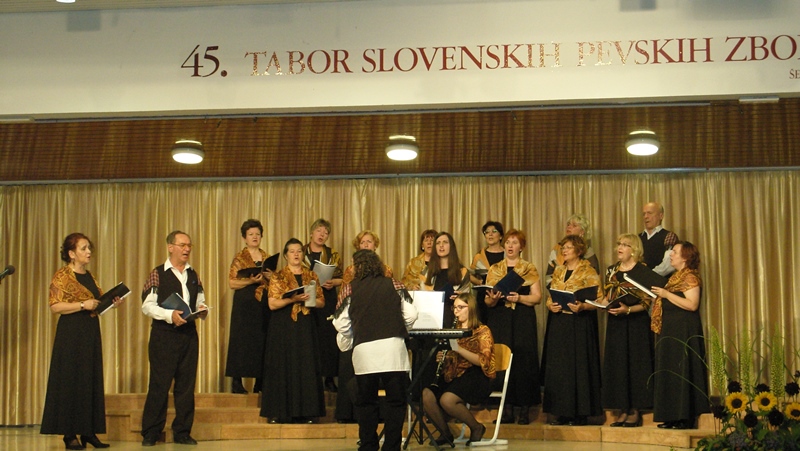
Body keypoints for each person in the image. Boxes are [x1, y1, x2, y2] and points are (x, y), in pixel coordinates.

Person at [41, 233, 124, 450]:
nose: (88, 252)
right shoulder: (62, 276)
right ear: (71, 253)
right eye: (83, 248)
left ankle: (88, 431)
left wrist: (111, 303)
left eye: (89, 248)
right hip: (70, 334)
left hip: (90, 332)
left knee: (89, 378)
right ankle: (69, 434)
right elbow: (55, 306)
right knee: (71, 379)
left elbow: (96, 304)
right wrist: (81, 305)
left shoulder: (89, 276)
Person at [333, 250, 418, 451]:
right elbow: (412, 314)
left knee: (366, 403)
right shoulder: (394, 284)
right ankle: (392, 446)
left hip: (365, 353)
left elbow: (341, 323)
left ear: (357, 266)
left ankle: (368, 445)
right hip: (393, 352)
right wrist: (398, 327)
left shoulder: (350, 288)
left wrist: (357, 333)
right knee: (395, 402)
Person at [141, 230, 209, 446]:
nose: (187, 249)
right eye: (182, 245)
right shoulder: (158, 273)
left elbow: (200, 300)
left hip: (188, 335)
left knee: (186, 385)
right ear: (170, 247)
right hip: (164, 335)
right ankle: (151, 431)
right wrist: (169, 315)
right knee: (160, 384)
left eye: (189, 245)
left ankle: (182, 431)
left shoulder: (193, 274)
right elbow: (147, 305)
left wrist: (202, 309)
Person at [599, 233, 664, 428]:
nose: (620, 247)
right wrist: (600, 304)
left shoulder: (642, 271)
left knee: (636, 364)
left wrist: (628, 309)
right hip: (616, 323)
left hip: (636, 324)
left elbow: (648, 300)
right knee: (618, 364)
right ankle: (622, 408)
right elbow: (607, 295)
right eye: (619, 244)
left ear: (634, 250)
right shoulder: (611, 271)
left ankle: (635, 409)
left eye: (625, 245)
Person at [259, 238, 326, 424]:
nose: (296, 254)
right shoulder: (278, 276)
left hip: (305, 326)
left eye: (299, 251)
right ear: (286, 255)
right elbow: (272, 304)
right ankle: (279, 412)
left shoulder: (311, 275)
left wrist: (308, 300)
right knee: (282, 366)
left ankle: (308, 412)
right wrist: (292, 299)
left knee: (306, 365)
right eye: (292, 251)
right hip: (283, 326)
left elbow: (321, 302)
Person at [542, 235, 603, 426]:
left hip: (579, 323)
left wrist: (583, 306)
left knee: (578, 367)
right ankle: (561, 411)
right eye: (563, 248)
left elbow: (599, 299)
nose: (564, 251)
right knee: (561, 368)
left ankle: (580, 413)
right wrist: (550, 305)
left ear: (578, 250)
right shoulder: (559, 270)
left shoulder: (588, 271)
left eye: (568, 247)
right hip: (559, 322)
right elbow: (550, 295)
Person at [421, 293, 495, 446]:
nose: (456, 311)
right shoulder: (452, 330)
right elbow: (452, 356)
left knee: (447, 400)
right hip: (453, 374)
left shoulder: (482, 331)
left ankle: (476, 427)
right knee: (426, 394)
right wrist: (444, 357)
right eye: (454, 307)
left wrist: (458, 349)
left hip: (475, 375)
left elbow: (483, 361)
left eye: (460, 307)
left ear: (471, 308)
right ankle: (445, 433)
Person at [335, 230, 393, 424]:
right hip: (356, 324)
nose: (366, 245)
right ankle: (348, 413)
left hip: (379, 326)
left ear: (375, 246)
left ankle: (379, 413)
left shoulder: (386, 270)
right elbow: (344, 297)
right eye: (363, 242)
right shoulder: (350, 271)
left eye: (369, 242)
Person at [484, 229, 542, 425]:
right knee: (502, 358)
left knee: (523, 360)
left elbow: (537, 297)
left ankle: (524, 409)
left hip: (522, 318)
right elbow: (487, 301)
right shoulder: (495, 268)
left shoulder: (528, 268)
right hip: (500, 317)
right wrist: (493, 299)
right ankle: (506, 409)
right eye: (508, 242)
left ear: (521, 247)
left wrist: (520, 298)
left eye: (515, 242)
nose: (510, 246)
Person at [650, 241, 709, 429]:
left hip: (684, 331)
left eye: (675, 252)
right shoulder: (674, 278)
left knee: (683, 370)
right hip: (670, 330)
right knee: (671, 371)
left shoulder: (690, 276)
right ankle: (671, 415)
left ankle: (685, 417)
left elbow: (692, 304)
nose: (671, 255)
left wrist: (666, 295)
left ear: (685, 257)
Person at [225, 219, 272, 395]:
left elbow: (276, 282)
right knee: (240, 340)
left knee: (262, 339)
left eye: (257, 234)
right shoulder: (239, 258)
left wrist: (271, 276)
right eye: (251, 234)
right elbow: (232, 283)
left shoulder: (267, 257)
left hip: (263, 303)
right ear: (244, 237)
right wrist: (250, 281)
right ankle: (237, 382)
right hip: (244, 303)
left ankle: (260, 382)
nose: (254, 237)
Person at [303, 218, 343, 393]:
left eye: (326, 233)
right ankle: (309, 378)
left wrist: (333, 282)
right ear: (312, 233)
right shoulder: (301, 251)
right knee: (309, 335)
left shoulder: (333, 254)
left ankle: (329, 378)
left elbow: (342, 278)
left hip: (327, 296)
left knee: (328, 337)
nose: (322, 235)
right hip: (307, 295)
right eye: (319, 231)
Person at [423, 231, 471, 327]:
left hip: (454, 317)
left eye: (445, 242)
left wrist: (460, 297)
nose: (441, 245)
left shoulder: (462, 271)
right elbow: (423, 299)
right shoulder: (426, 272)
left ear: (451, 246)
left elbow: (469, 299)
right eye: (438, 243)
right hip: (431, 319)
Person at [545, 214, 600, 286]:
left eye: (574, 225)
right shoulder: (557, 249)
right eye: (568, 224)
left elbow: (595, 279)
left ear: (582, 232)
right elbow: (549, 276)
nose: (569, 227)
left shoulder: (588, 251)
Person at [639, 202, 679, 277]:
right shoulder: (638, 238)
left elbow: (668, 265)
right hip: (637, 281)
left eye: (649, 213)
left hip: (660, 281)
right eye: (644, 214)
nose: (646, 216)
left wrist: (648, 276)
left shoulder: (669, 236)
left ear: (661, 216)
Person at [469, 221, 505, 285]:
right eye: (487, 232)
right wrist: (479, 283)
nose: (490, 234)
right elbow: (471, 275)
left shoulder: (508, 255)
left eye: (494, 231)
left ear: (501, 236)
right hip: (484, 290)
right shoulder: (478, 257)